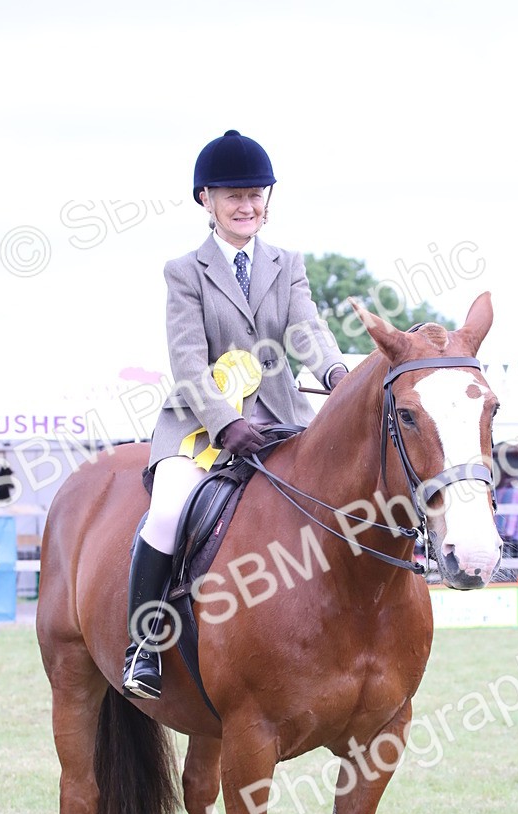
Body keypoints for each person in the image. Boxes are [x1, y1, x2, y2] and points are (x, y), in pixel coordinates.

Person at [122, 129, 348, 699]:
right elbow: (188, 361)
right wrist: (227, 423)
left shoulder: (286, 263)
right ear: (207, 201)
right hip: (203, 425)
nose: (246, 206)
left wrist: (337, 377)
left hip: (280, 418)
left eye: (256, 195)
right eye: (233, 196)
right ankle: (144, 646)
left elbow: (309, 330)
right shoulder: (184, 272)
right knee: (169, 510)